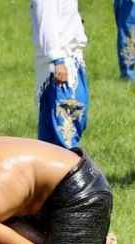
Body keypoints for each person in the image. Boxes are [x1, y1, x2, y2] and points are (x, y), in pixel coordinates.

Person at [30, 0, 90, 150]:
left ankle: (48, 169)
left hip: (71, 60)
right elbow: (45, 24)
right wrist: (58, 60)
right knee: (66, 124)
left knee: (56, 128)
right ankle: (65, 167)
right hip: (62, 64)